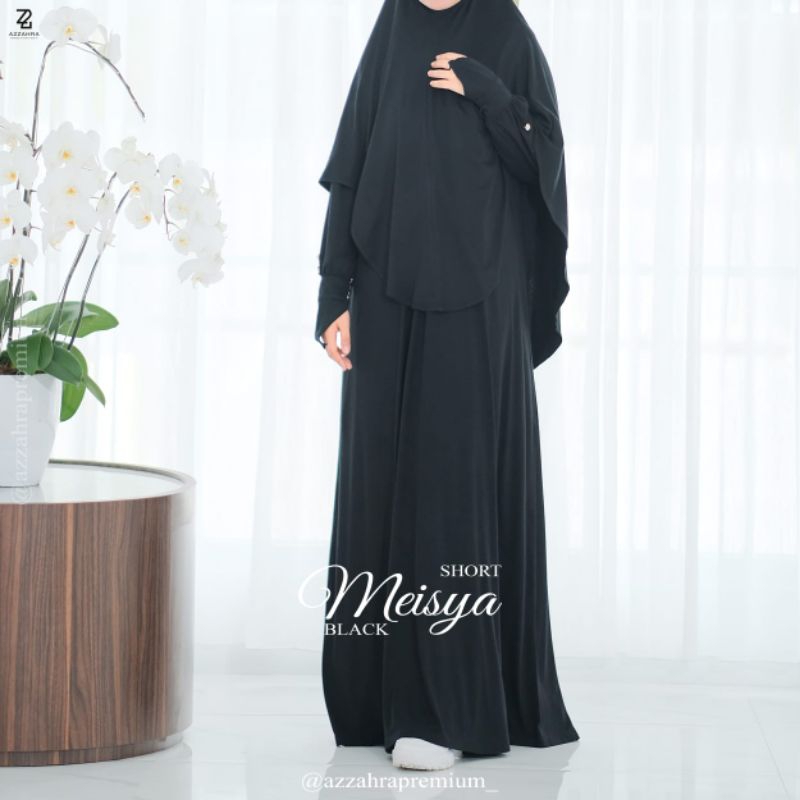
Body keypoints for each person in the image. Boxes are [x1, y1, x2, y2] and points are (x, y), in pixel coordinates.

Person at [314, 0, 578, 771]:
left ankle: (446, 708)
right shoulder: (393, 26)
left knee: (454, 484)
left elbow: (543, 165)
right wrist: (332, 294)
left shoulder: (505, 32)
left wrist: (488, 92)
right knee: (381, 478)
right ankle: (379, 701)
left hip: (480, 297)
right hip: (384, 293)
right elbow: (352, 166)